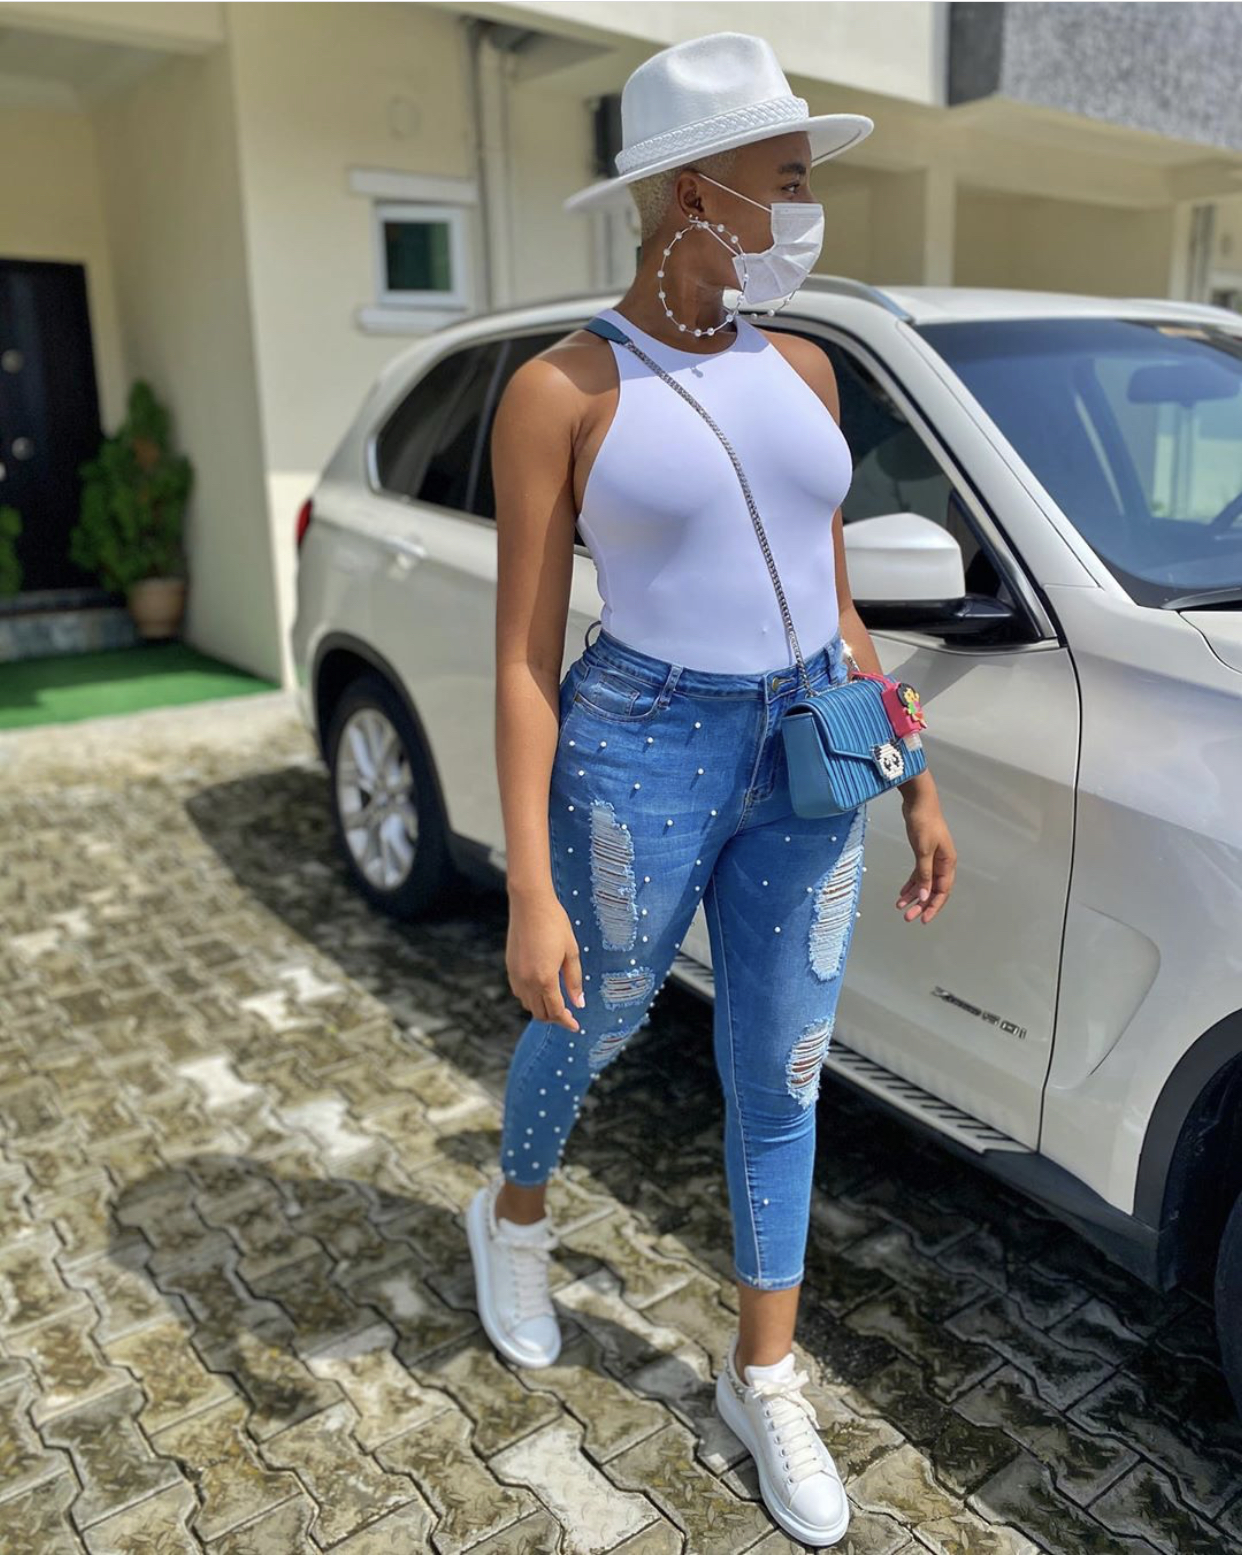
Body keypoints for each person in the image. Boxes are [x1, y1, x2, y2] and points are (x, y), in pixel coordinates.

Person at [467, 31, 957, 1550]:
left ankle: (764, 1376)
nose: (807, 210)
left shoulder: (803, 368)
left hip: (809, 744)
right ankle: (514, 1215)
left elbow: (832, 593)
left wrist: (908, 766)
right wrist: (530, 885)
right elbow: (524, 657)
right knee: (597, 1014)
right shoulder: (561, 389)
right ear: (695, 193)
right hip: (644, 745)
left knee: (782, 1069)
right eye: (787, 180)